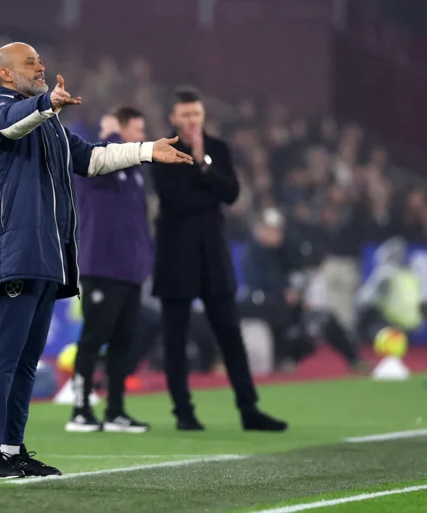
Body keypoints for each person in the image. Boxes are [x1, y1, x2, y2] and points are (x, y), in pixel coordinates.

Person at [0, 42, 193, 479]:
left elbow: (91, 158)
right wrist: (46, 104)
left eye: (39, 60)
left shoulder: (48, 124)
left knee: (29, 358)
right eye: (29, 63)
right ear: (6, 76)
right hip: (15, 248)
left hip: (46, 252)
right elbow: (10, 127)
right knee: (5, 355)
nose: (40, 66)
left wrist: (147, 151)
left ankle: (12, 450)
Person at [151, 86, 287, 432]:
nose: (192, 120)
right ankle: (183, 411)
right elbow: (176, 199)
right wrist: (208, 186)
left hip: (213, 256)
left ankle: (249, 409)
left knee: (230, 334)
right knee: (175, 338)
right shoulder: (160, 151)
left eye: (196, 114)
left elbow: (232, 193)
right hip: (176, 258)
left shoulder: (218, 149)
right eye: (185, 115)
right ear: (173, 118)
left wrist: (203, 165)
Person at [66, 107, 152, 434]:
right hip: (101, 266)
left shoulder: (135, 172)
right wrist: (112, 133)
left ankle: (115, 410)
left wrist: (145, 259)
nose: (141, 135)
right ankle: (80, 409)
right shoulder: (98, 158)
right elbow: (99, 160)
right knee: (93, 338)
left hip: (129, 271)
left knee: (122, 341)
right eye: (137, 128)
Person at [240, 209, 363, 372]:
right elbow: (256, 281)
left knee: (323, 320)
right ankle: (282, 360)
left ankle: (354, 360)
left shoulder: (288, 250)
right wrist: (283, 292)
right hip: (263, 308)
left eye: (277, 229)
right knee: (283, 323)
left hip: (291, 308)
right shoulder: (253, 253)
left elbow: (305, 267)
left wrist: (299, 295)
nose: (274, 234)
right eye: (269, 229)